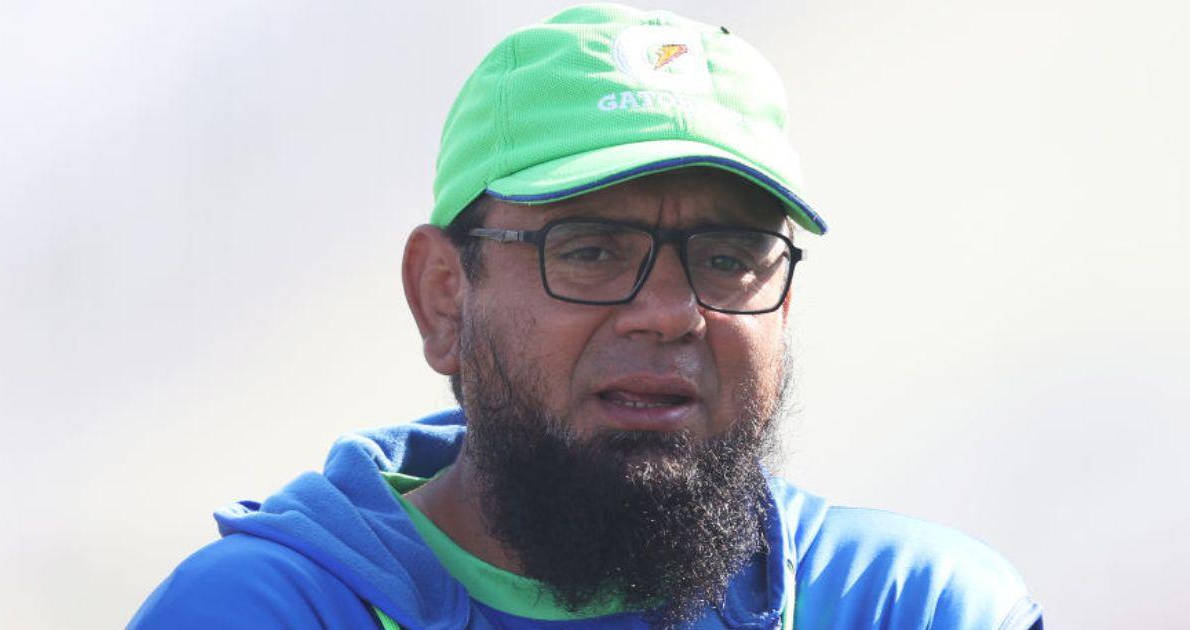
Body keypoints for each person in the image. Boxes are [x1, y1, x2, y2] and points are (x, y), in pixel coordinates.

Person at [129, 4, 1043, 629]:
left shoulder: (909, 608)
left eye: (727, 258)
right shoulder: (265, 612)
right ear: (443, 296)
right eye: (592, 249)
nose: (671, 314)